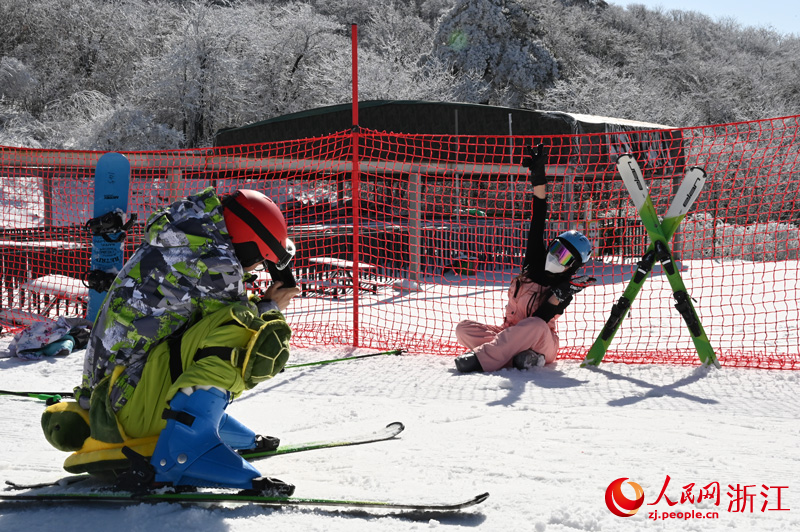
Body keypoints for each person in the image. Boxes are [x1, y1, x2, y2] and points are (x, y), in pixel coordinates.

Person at [40, 187, 301, 494]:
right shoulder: (216, 265)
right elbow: (235, 325)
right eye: (260, 260)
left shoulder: (187, 236)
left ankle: (198, 422)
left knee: (218, 329)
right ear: (247, 247)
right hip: (128, 412)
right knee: (244, 333)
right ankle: (183, 453)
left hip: (111, 397)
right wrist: (270, 308)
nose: (258, 268)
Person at [454, 143, 595, 373]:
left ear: (572, 266)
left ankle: (484, 359)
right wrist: (538, 177)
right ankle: (520, 359)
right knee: (464, 329)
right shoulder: (533, 263)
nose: (555, 257)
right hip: (508, 335)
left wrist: (560, 294)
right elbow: (538, 216)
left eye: (564, 257)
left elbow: (541, 318)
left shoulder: (564, 286)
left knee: (536, 324)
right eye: (556, 248)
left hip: (542, 342)